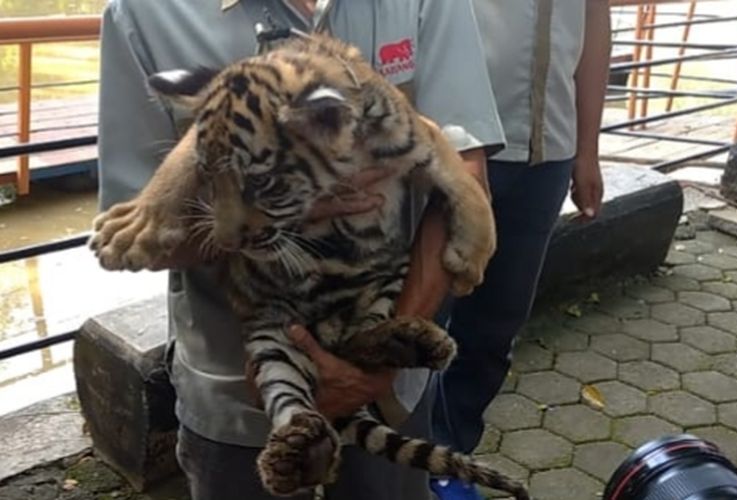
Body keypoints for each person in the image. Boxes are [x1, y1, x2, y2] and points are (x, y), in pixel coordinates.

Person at [96, 1, 504, 499]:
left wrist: (375, 369)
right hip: (237, 388)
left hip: (390, 373)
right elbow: (132, 244)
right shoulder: (143, 13)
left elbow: (464, 175)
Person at [430, 1, 611, 499]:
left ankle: (449, 456)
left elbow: (594, 23)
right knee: (423, 321)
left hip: (548, 153)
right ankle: (397, 464)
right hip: (459, 149)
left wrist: (588, 149)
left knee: (496, 327)